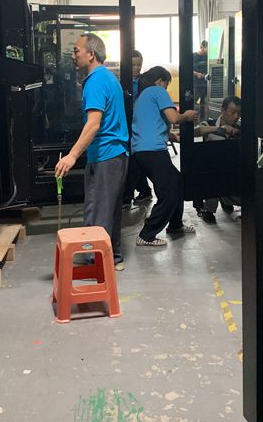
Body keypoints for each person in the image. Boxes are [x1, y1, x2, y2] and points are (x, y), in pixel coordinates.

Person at [55, 33, 129, 269]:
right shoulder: (105, 77)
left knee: (98, 211)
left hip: (106, 155)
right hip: (115, 155)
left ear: (91, 54)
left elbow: (93, 124)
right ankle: (111, 258)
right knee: (109, 210)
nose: (73, 55)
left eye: (77, 50)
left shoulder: (96, 81)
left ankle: (96, 264)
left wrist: (72, 155)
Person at [131, 66, 198, 246]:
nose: (166, 88)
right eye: (167, 84)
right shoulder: (157, 91)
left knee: (176, 181)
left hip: (141, 151)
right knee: (169, 192)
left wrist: (169, 135)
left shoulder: (141, 97)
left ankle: (175, 225)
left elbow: (148, 123)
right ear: (160, 80)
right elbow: (173, 118)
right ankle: (147, 235)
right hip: (153, 150)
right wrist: (187, 116)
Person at [194, 95, 241, 224]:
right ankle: (208, 210)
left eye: (238, 113)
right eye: (232, 112)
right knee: (212, 172)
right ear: (223, 110)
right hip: (212, 172)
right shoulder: (210, 124)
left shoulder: (240, 129)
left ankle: (226, 200)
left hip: (231, 173)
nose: (236, 116)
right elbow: (196, 131)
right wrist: (219, 129)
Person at [123, 49, 153, 205]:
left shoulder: (145, 82)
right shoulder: (123, 81)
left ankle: (134, 193)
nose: (136, 68)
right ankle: (143, 190)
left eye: (139, 64)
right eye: (133, 64)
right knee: (133, 158)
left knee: (134, 158)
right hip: (127, 123)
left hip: (140, 124)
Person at [193, 40, 209, 122]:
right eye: (205, 49)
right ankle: (193, 122)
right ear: (201, 47)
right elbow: (188, 70)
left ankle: (202, 123)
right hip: (196, 85)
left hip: (205, 85)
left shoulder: (207, 57)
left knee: (203, 105)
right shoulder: (193, 56)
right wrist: (197, 74)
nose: (206, 51)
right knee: (194, 103)